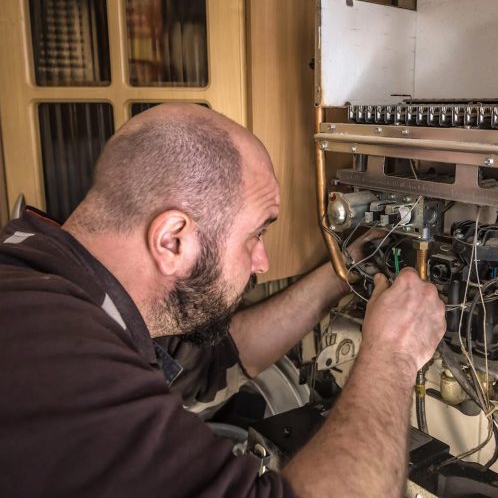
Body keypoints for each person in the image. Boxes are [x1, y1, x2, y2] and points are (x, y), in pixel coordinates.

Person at [0, 104, 446, 497]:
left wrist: (342, 270)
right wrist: (394, 353)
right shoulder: (61, 367)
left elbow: (217, 363)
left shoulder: (58, 284)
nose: (263, 261)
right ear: (173, 240)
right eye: (256, 233)